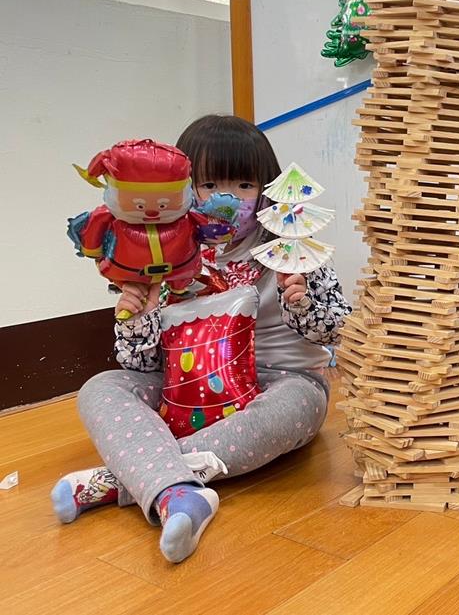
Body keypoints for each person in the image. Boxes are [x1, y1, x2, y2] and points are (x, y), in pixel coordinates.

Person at [52, 115, 351, 563]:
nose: (225, 199)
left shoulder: (293, 246)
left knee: (294, 406)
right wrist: (139, 318)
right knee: (102, 387)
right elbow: (139, 364)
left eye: (244, 185)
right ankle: (178, 490)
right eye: (208, 185)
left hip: (280, 380)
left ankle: (132, 478)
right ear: (183, 190)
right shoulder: (163, 257)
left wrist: (303, 302)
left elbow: (337, 330)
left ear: (266, 190)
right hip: (186, 387)